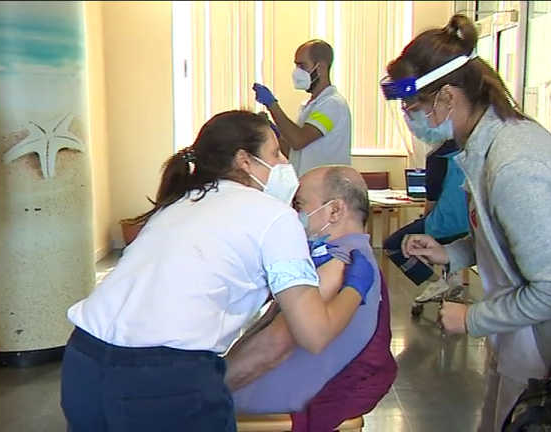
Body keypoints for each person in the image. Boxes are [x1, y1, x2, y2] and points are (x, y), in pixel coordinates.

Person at [59, 110, 376, 432]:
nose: (285, 163)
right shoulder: (275, 216)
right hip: (162, 377)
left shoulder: (183, 200)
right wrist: (355, 287)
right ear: (245, 160)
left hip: (83, 363)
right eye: (275, 153)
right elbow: (314, 334)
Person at [381, 15, 551, 431]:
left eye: (413, 108)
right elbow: (506, 237)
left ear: (448, 96)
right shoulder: (484, 146)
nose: (410, 119)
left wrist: (471, 319)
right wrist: (451, 252)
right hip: (518, 335)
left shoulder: (514, 164)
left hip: (546, 345)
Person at [226, 165, 381, 414]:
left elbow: (272, 348)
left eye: (300, 204)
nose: (293, 213)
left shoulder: (341, 264)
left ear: (335, 210)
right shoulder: (346, 256)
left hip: (260, 400)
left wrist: (206, 389)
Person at [382, 140, 469, 303]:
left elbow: (432, 200)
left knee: (392, 245)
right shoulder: (473, 152)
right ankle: (451, 277)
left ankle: (437, 282)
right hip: (470, 225)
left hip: (444, 223)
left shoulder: (439, 158)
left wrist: (424, 218)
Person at [252, 40, 352, 176]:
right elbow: (293, 151)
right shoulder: (310, 105)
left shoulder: (332, 104)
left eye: (302, 66)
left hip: (324, 190)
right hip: (305, 185)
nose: (296, 72)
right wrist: (273, 132)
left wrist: (272, 105)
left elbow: (299, 141)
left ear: (321, 67)